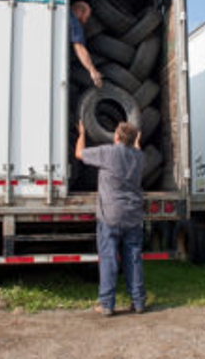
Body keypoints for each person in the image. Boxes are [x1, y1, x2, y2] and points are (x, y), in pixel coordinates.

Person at [75, 121, 146, 316]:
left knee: (108, 259)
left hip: (110, 216)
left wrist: (82, 134)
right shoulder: (139, 157)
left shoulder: (107, 153)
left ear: (116, 137)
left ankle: (107, 304)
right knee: (133, 259)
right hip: (133, 216)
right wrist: (136, 141)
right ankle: (138, 302)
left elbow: (79, 154)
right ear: (133, 140)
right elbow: (136, 149)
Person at [70, 1, 103, 88]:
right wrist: (92, 71)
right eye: (86, 17)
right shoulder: (73, 21)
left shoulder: (62, 15)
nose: (85, 21)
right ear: (80, 13)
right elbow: (79, 47)